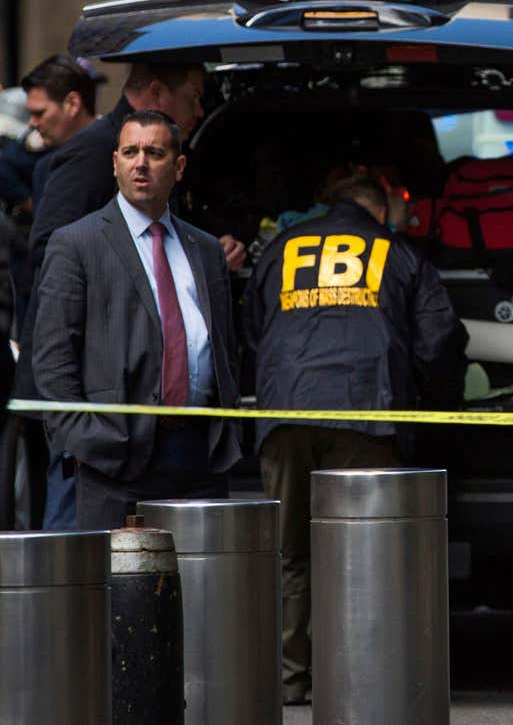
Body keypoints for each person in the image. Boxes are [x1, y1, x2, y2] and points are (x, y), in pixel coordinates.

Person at [244, 172, 467, 707]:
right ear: (380, 210)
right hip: (367, 411)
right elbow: (439, 343)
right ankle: (366, 681)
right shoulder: (397, 251)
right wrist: (437, 402)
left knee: (290, 552)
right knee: (369, 552)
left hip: (285, 413)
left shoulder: (279, 249)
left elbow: (252, 331)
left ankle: (291, 680)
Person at [16, 60, 243, 530]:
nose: (141, 163)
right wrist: (87, 441)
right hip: (114, 462)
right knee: (108, 597)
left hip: (199, 456)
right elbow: (54, 357)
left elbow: (222, 347)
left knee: (198, 596)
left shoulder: (203, 249)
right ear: (114, 163)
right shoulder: (76, 243)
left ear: (178, 167)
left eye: (155, 154)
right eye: (130, 152)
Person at [15, 54, 100, 528]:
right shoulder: (55, 162)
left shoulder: (83, 157)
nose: (33, 123)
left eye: (39, 112)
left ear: (72, 103)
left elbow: (46, 256)